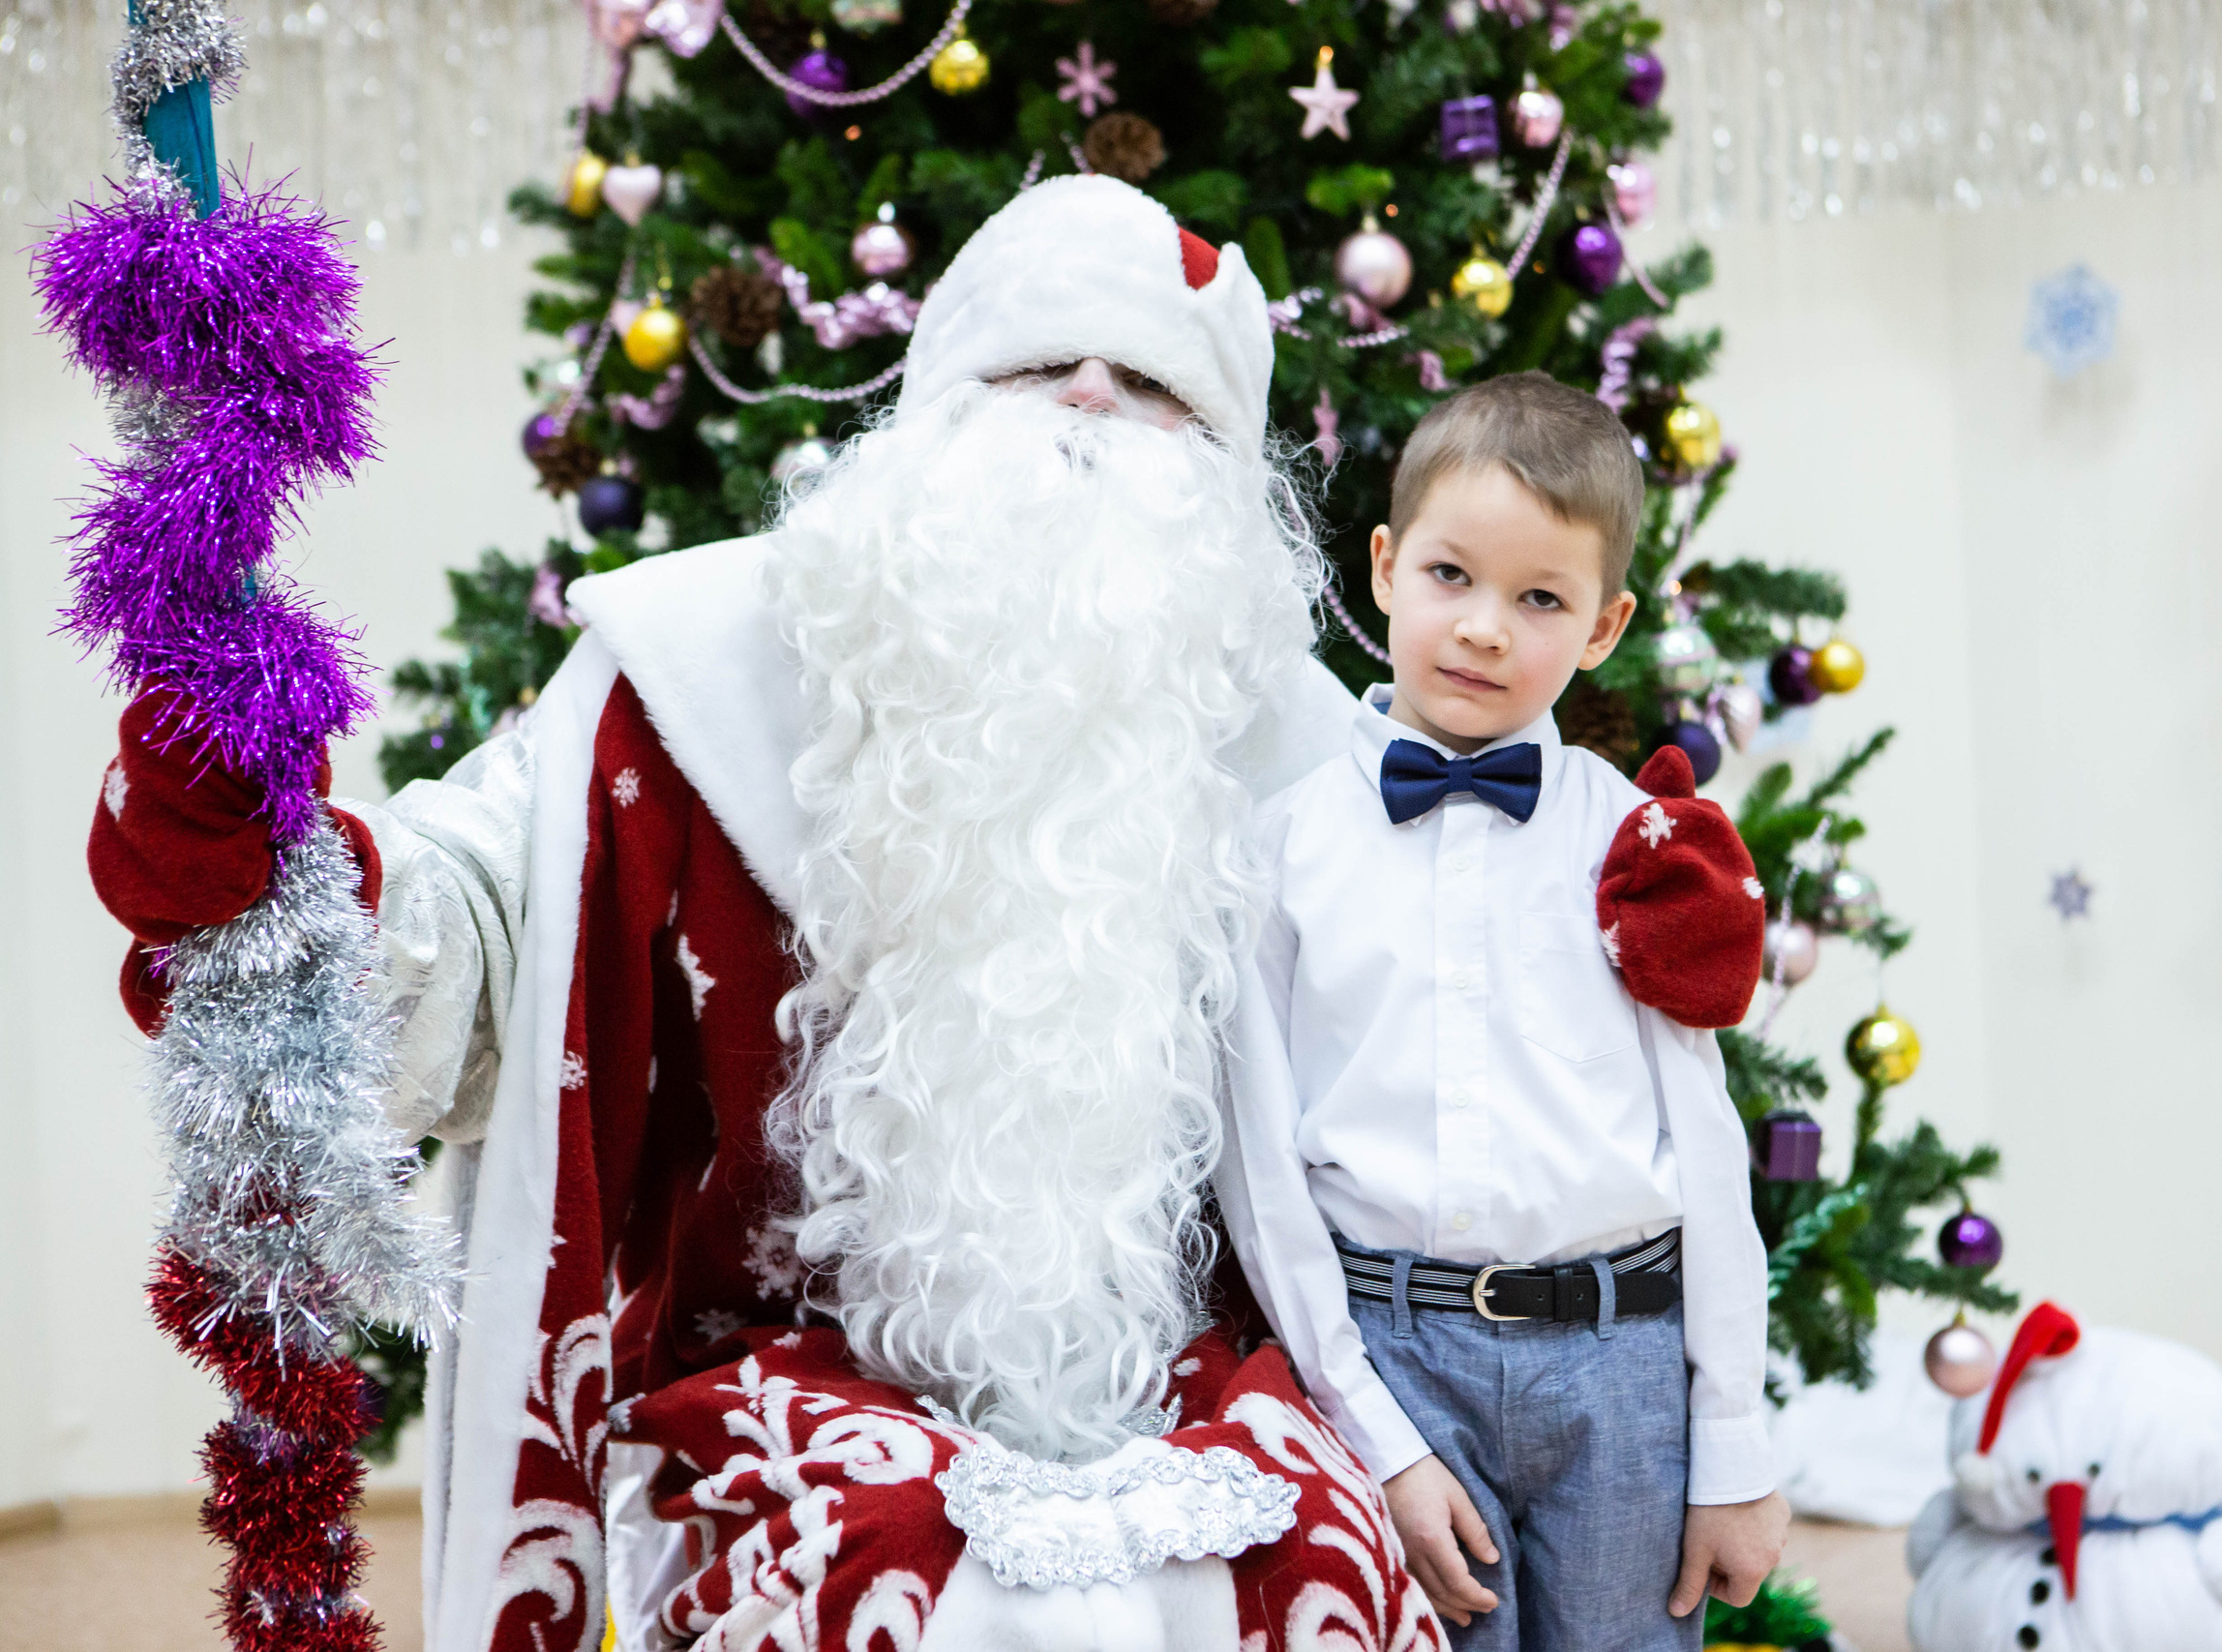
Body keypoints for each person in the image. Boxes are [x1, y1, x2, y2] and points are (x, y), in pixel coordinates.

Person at [88, 176, 1448, 1652]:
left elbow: (1474, 1065)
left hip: (1196, 1383)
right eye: (1030, 367)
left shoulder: (1307, 757)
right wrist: (286, 885)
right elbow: (477, 951)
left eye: (1157, 390)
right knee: (928, 1591)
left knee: (1310, 1564)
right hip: (772, 1378)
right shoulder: (684, 679)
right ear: (924, 414)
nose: (1088, 403)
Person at [1216, 372, 1790, 1651]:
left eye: (1539, 599)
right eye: (1451, 576)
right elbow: (1262, 1171)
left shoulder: (1639, 845)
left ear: (1603, 625)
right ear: (1382, 565)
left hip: (1625, 1370)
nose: (1483, 628)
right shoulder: (1279, 853)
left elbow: (1706, 1149)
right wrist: (1375, 1435)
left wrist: (1734, 1442)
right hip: (1393, 1358)